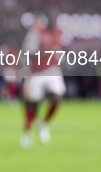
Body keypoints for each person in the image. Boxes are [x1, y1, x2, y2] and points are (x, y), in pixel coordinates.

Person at [20, 13, 66, 148]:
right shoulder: (37, 32)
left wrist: (60, 58)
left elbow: (59, 49)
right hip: (37, 71)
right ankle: (27, 133)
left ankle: (44, 124)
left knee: (57, 97)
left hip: (52, 70)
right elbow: (28, 52)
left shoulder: (59, 32)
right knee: (33, 103)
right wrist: (44, 52)